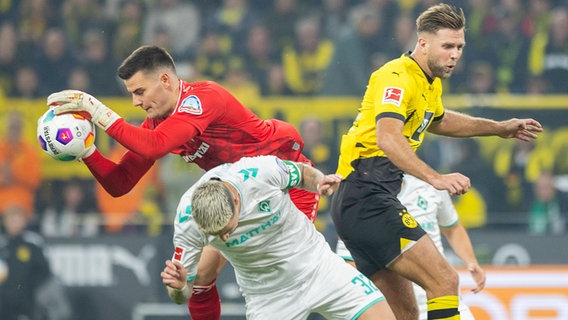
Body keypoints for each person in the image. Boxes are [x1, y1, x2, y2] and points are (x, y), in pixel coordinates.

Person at [46, 45, 320, 320]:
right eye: (131, 94)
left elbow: (155, 147)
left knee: (300, 278)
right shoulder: (157, 123)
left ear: (165, 80)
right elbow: (121, 183)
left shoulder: (201, 98)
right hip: (237, 198)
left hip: (286, 184)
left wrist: (96, 111)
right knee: (200, 278)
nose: (136, 103)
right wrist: (88, 152)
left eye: (139, 92)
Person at [330, 3, 543, 320]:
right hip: (366, 196)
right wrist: (435, 178)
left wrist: (499, 129)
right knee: (445, 281)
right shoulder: (396, 77)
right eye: (448, 46)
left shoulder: (428, 82)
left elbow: (439, 120)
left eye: (459, 47)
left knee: (405, 313)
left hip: (364, 200)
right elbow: (388, 137)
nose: (455, 54)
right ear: (423, 43)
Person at [161, 155, 395, 320]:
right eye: (217, 235)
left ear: (235, 200)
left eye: (227, 228)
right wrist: (180, 287)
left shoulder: (261, 172)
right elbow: (182, 295)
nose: (226, 237)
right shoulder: (186, 220)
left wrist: (318, 182)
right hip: (268, 298)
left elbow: (302, 173)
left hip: (321, 268)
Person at [337, 174, 486, 320]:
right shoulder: (361, 205)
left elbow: (452, 227)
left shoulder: (430, 187)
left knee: (447, 280)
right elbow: (350, 263)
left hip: (445, 300)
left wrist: (471, 261)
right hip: (400, 309)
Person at [0, 203, 72, 320]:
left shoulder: (33, 243)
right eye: (10, 219)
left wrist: (30, 289)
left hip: (29, 299)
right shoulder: (2, 244)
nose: (13, 222)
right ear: (4, 222)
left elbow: (44, 271)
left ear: (24, 221)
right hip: (4, 300)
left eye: (16, 219)